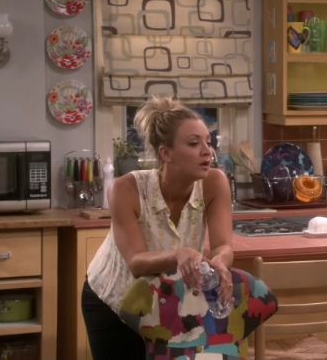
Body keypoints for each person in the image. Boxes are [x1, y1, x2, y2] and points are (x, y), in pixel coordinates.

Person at [82, 96, 238, 358]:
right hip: (113, 299)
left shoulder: (214, 183)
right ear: (166, 153)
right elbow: (136, 262)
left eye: (208, 142)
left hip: (166, 300)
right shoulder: (125, 189)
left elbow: (223, 245)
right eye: (194, 143)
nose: (207, 152)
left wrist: (220, 261)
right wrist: (178, 254)